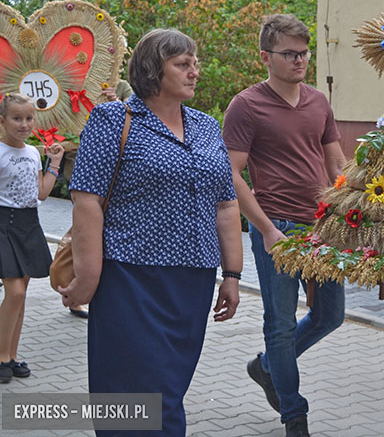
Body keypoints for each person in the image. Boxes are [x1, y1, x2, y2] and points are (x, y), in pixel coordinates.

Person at [59, 28, 242, 436]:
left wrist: (232, 275)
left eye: (195, 63)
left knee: (169, 390)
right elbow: (86, 200)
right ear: (151, 70)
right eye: (182, 64)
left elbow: (227, 204)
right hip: (131, 278)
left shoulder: (206, 127)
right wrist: (88, 277)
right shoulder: (113, 119)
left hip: (192, 280)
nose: (195, 72)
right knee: (133, 393)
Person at [222, 14, 347, 437]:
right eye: (289, 54)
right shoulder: (246, 105)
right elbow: (233, 174)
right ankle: (294, 414)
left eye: (303, 53)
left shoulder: (317, 102)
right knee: (279, 321)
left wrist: (355, 208)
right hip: (275, 224)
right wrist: (266, 228)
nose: (299, 61)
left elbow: (335, 161)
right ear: (266, 57)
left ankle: (266, 366)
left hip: (321, 227)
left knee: (331, 315)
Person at [0, 93, 64, 383]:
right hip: (3, 224)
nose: (24, 124)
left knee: (21, 296)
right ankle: (1, 357)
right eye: (17, 118)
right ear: (3, 121)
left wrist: (54, 162)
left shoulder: (32, 153)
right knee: (15, 292)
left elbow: (40, 193)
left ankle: (11, 356)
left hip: (29, 224)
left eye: (28, 118)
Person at [63, 81, 133, 320]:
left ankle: (88, 286)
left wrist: (116, 102)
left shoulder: (122, 86)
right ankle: (77, 285)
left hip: (117, 178)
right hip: (85, 172)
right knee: (85, 232)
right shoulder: (73, 84)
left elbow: (139, 118)